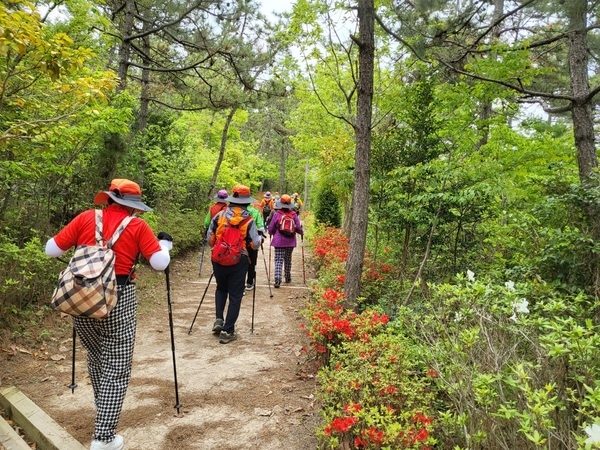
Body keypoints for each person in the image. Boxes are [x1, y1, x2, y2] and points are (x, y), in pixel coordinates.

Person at [45, 178, 172, 450]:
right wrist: (164, 246)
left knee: (97, 355)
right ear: (133, 206)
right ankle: (103, 438)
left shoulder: (85, 218)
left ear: (109, 199)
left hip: (80, 298)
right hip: (119, 298)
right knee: (116, 366)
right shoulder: (138, 226)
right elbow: (160, 264)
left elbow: (51, 250)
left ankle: (104, 412)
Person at [206, 184, 262, 344]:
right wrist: (257, 241)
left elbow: (210, 237)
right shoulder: (249, 221)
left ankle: (219, 319)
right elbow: (255, 244)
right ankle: (227, 330)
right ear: (246, 203)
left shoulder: (220, 216)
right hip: (239, 260)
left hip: (218, 258)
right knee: (236, 295)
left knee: (221, 288)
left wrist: (219, 248)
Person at [267, 194, 303, 288]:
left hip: (278, 241)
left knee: (278, 260)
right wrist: (301, 232)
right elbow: (298, 227)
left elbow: (271, 227)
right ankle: (287, 277)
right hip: (290, 241)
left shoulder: (277, 214)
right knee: (288, 259)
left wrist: (271, 233)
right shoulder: (294, 214)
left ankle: (277, 279)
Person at [245, 200, 266, 290]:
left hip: (236, 242)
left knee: (238, 262)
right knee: (252, 262)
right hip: (252, 241)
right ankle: (250, 282)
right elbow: (261, 228)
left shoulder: (232, 212)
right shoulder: (255, 212)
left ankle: (239, 285)